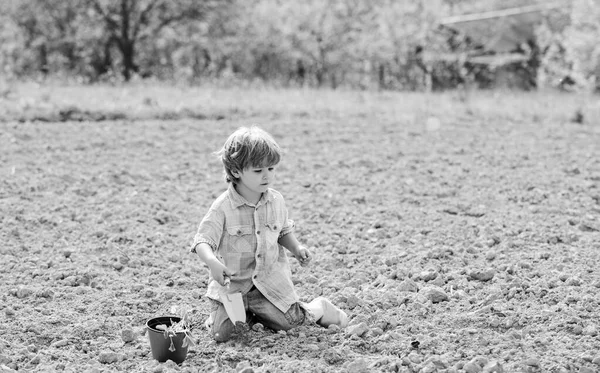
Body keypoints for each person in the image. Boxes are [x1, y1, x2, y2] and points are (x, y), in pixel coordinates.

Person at [190, 126, 348, 342]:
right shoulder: (222, 207)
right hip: (234, 287)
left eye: (271, 169)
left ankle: (319, 307)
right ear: (236, 171)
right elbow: (203, 240)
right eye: (258, 171)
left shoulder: (276, 201)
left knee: (291, 323)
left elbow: (282, 230)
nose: (267, 176)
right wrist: (212, 262)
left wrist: (296, 247)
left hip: (267, 287)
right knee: (224, 335)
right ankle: (227, 316)